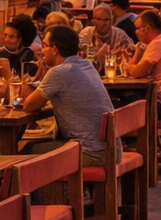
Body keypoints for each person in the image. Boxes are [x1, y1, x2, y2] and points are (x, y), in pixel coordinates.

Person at [21, 25, 114, 165]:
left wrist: (25, 81)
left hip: (90, 153)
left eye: (45, 45)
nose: (41, 49)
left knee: (25, 152)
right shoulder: (87, 65)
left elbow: (28, 105)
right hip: (109, 150)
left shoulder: (60, 72)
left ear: (55, 49)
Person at [0, 14, 40, 80]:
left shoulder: (28, 53)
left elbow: (29, 79)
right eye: (5, 35)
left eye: (11, 36)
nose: (6, 39)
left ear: (22, 38)